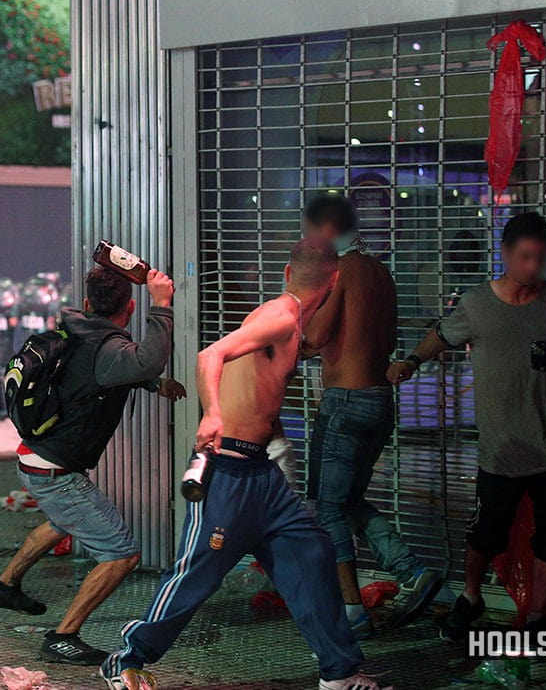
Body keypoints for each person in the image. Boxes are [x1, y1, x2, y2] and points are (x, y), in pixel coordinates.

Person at [102, 238, 392, 690]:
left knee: (313, 554)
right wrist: (213, 412)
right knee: (197, 574)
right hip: (227, 475)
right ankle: (126, 659)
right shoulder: (279, 316)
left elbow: (260, 396)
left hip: (264, 476)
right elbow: (209, 355)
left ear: (287, 272)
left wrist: (277, 449)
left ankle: (339, 673)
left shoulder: (293, 325)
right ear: (334, 282)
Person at [387, 212, 546, 640]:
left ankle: (535, 618)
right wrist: (412, 361)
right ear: (506, 254)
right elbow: (442, 333)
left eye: (540, 258)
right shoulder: (477, 304)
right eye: (525, 256)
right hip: (500, 450)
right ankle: (472, 597)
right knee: (485, 534)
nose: (533, 266)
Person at [0, 265, 185, 665]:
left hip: (36, 456)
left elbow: (103, 373)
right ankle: (63, 636)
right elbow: (144, 360)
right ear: (129, 308)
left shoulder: (79, 330)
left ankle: (5, 585)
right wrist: (162, 304)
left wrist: (151, 385)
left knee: (64, 521)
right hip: (56, 472)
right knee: (121, 554)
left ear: (88, 303)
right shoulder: (109, 347)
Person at [301, 195, 442, 638]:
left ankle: (351, 613)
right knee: (350, 500)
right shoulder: (383, 273)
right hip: (379, 400)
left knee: (328, 508)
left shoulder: (345, 269)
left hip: (346, 399)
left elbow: (319, 335)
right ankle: (412, 572)